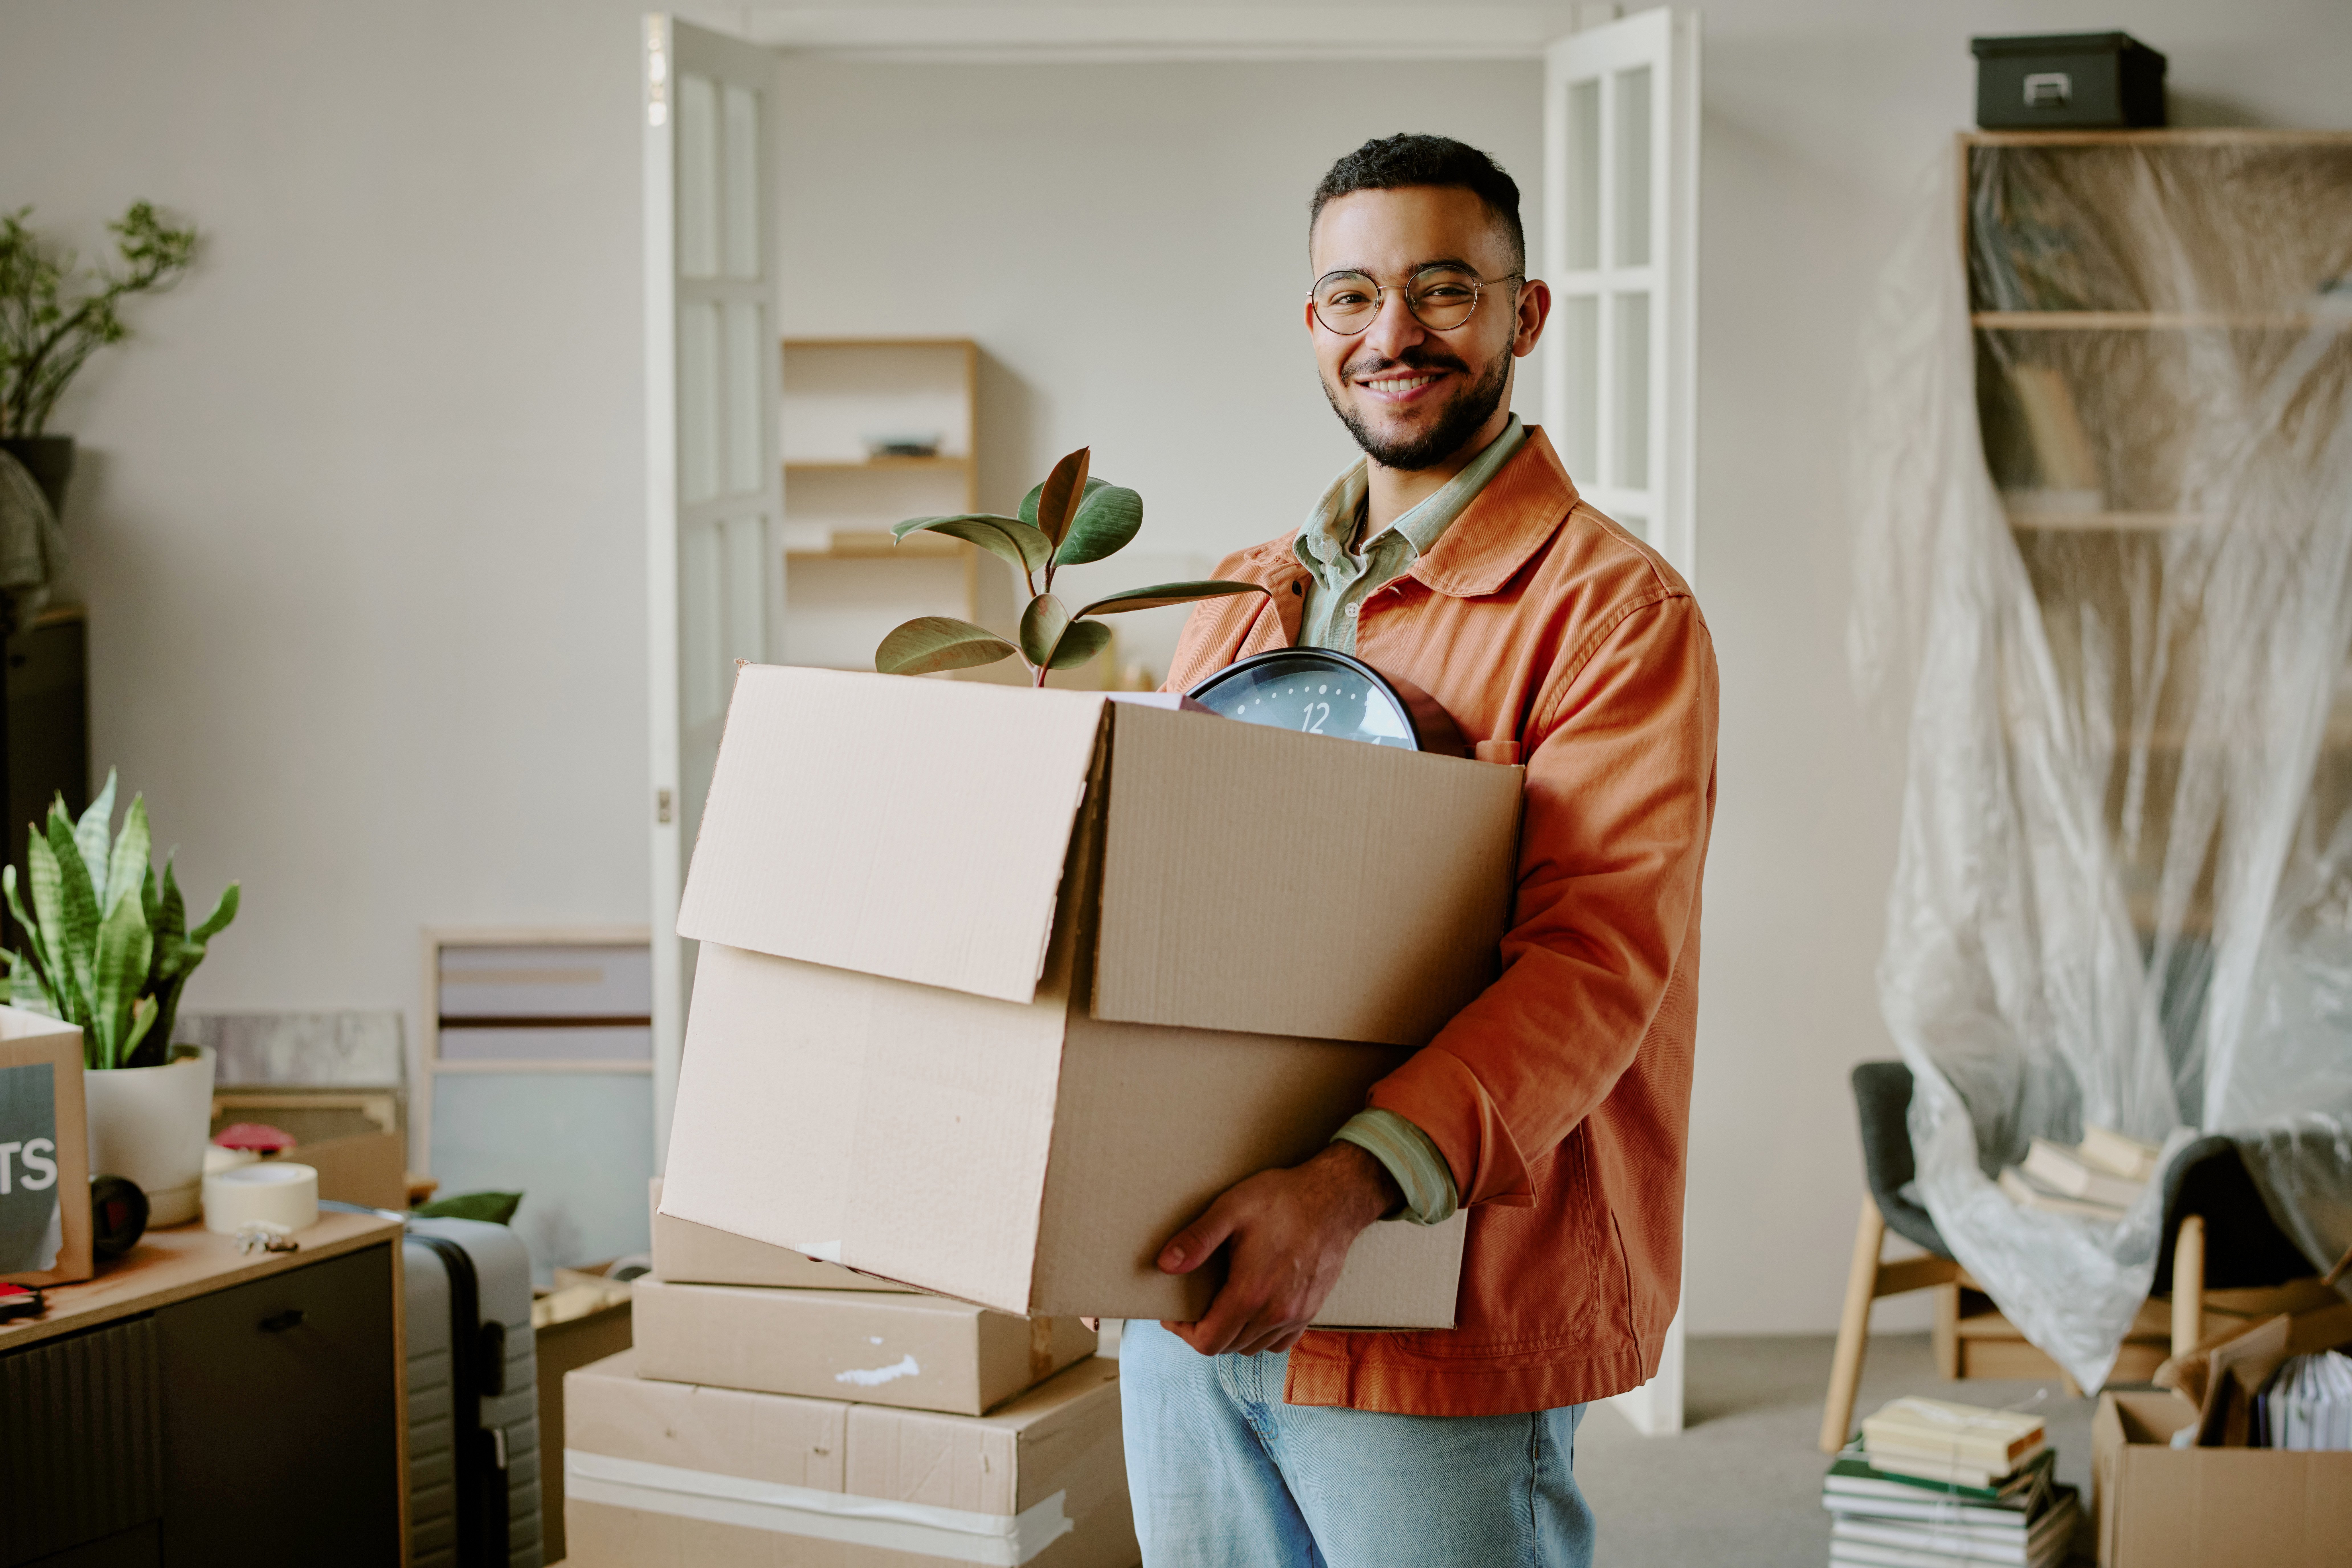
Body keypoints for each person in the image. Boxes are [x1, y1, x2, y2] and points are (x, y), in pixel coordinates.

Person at [1120, 133, 1720, 1567]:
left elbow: (1593, 968)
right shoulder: (1235, 602)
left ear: (1525, 313)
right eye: (1351, 297)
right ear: (1313, 325)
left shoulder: (1614, 612)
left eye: (1444, 291)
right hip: (1190, 1292)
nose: (1393, 334)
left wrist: (1341, 1192)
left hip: (1441, 1298)